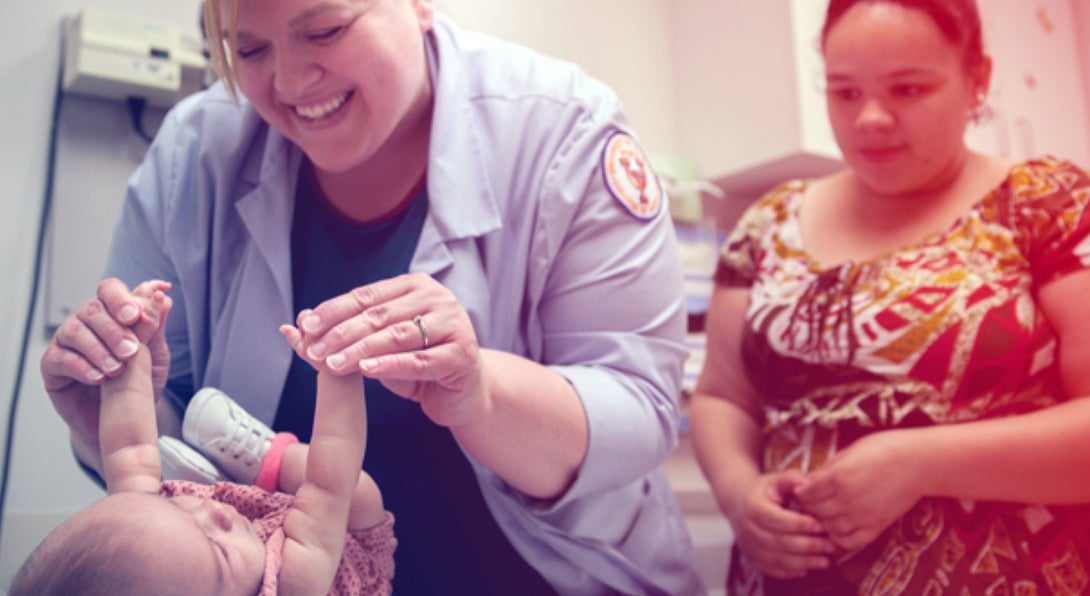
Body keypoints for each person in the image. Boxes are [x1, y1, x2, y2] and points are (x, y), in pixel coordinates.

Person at [38, 0, 703, 593]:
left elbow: (640, 409)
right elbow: (163, 467)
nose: (291, 83)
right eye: (249, 49)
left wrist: (482, 392)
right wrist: (107, 409)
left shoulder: (564, 130)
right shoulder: (196, 149)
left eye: (325, 30)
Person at [690, 0, 1090, 593]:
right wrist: (737, 493)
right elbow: (723, 396)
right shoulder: (768, 224)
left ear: (976, 78)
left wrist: (920, 462)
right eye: (844, 93)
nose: (871, 119)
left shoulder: (1048, 204)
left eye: (908, 89)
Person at [18, 281, 396, 595]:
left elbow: (129, 448)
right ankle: (266, 460)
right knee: (359, 492)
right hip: (348, 551)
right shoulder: (294, 583)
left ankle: (238, 474)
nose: (213, 511)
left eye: (177, 509)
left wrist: (130, 346)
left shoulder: (147, 538)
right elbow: (330, 480)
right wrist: (337, 367)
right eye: (220, 554)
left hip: (277, 530)